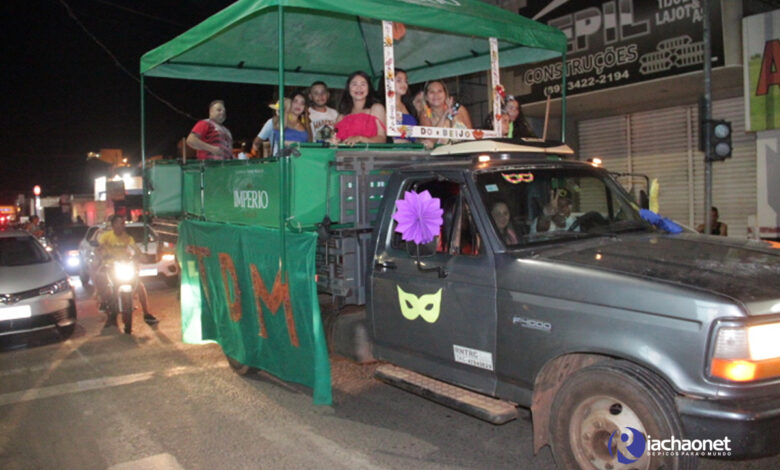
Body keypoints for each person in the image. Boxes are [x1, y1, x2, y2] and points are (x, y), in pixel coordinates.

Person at [95, 215, 158, 333]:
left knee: (139, 285)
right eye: (119, 223)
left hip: (124, 265)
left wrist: (141, 256)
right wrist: (102, 252)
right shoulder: (106, 236)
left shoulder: (128, 238)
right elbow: (100, 248)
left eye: (123, 223)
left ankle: (147, 314)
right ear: (113, 226)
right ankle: (104, 305)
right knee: (101, 279)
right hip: (110, 265)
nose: (121, 226)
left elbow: (135, 249)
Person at [332, 71, 387, 145]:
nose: (359, 88)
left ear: (369, 88)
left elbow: (382, 139)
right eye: (354, 84)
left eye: (363, 84)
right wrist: (334, 141)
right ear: (348, 88)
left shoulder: (376, 108)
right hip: (345, 155)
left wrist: (360, 138)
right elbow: (335, 139)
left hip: (370, 155)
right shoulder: (341, 116)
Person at [419, 80, 472, 148]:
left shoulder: (459, 109)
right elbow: (430, 141)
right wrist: (444, 116)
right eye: (432, 92)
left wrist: (452, 117)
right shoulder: (425, 114)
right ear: (426, 97)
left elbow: (471, 135)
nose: (436, 95)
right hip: (441, 156)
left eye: (440, 91)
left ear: (445, 94)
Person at [379, 68, 418, 143]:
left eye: (406, 81)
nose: (404, 84)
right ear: (387, 83)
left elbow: (414, 133)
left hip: (411, 150)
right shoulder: (381, 107)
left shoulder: (410, 106)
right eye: (399, 80)